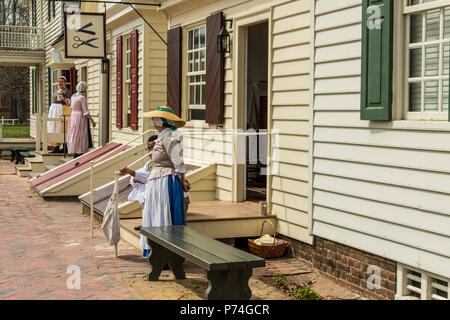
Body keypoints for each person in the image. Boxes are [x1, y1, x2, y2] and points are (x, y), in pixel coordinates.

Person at [139, 106, 190, 257]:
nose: (153, 122)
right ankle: (157, 250)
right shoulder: (162, 137)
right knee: (156, 213)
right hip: (157, 180)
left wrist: (183, 180)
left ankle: (167, 251)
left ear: (160, 121)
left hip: (165, 181)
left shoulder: (170, 138)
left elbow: (178, 162)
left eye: (155, 119)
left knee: (163, 212)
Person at [67, 81, 96, 158]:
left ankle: (75, 151)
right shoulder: (82, 98)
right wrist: (92, 120)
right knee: (81, 134)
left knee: (74, 134)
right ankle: (80, 152)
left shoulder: (73, 97)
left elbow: (71, 107)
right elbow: (85, 111)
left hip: (73, 116)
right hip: (80, 117)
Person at [48, 75, 71, 153]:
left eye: (62, 81)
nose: (60, 83)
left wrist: (63, 99)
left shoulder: (66, 91)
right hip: (54, 110)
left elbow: (68, 102)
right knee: (54, 127)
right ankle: (56, 146)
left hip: (62, 109)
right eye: (59, 81)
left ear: (65, 83)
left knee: (62, 127)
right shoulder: (56, 90)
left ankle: (65, 147)